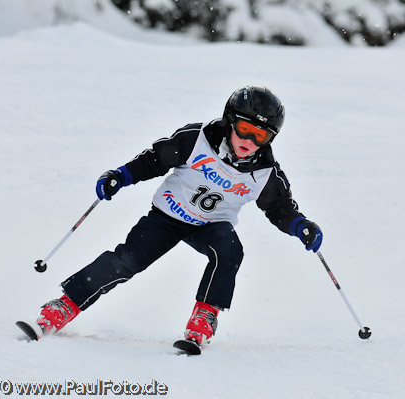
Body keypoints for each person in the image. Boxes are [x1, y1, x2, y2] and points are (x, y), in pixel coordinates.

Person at [34, 85, 323, 348]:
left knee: (230, 251)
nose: (250, 140)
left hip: (211, 225)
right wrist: (120, 176)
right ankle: (65, 305)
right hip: (167, 216)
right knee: (126, 261)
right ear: (230, 120)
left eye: (261, 135)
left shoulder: (265, 173)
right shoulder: (196, 140)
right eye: (246, 128)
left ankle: (204, 318)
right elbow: (153, 160)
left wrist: (300, 226)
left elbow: (279, 209)